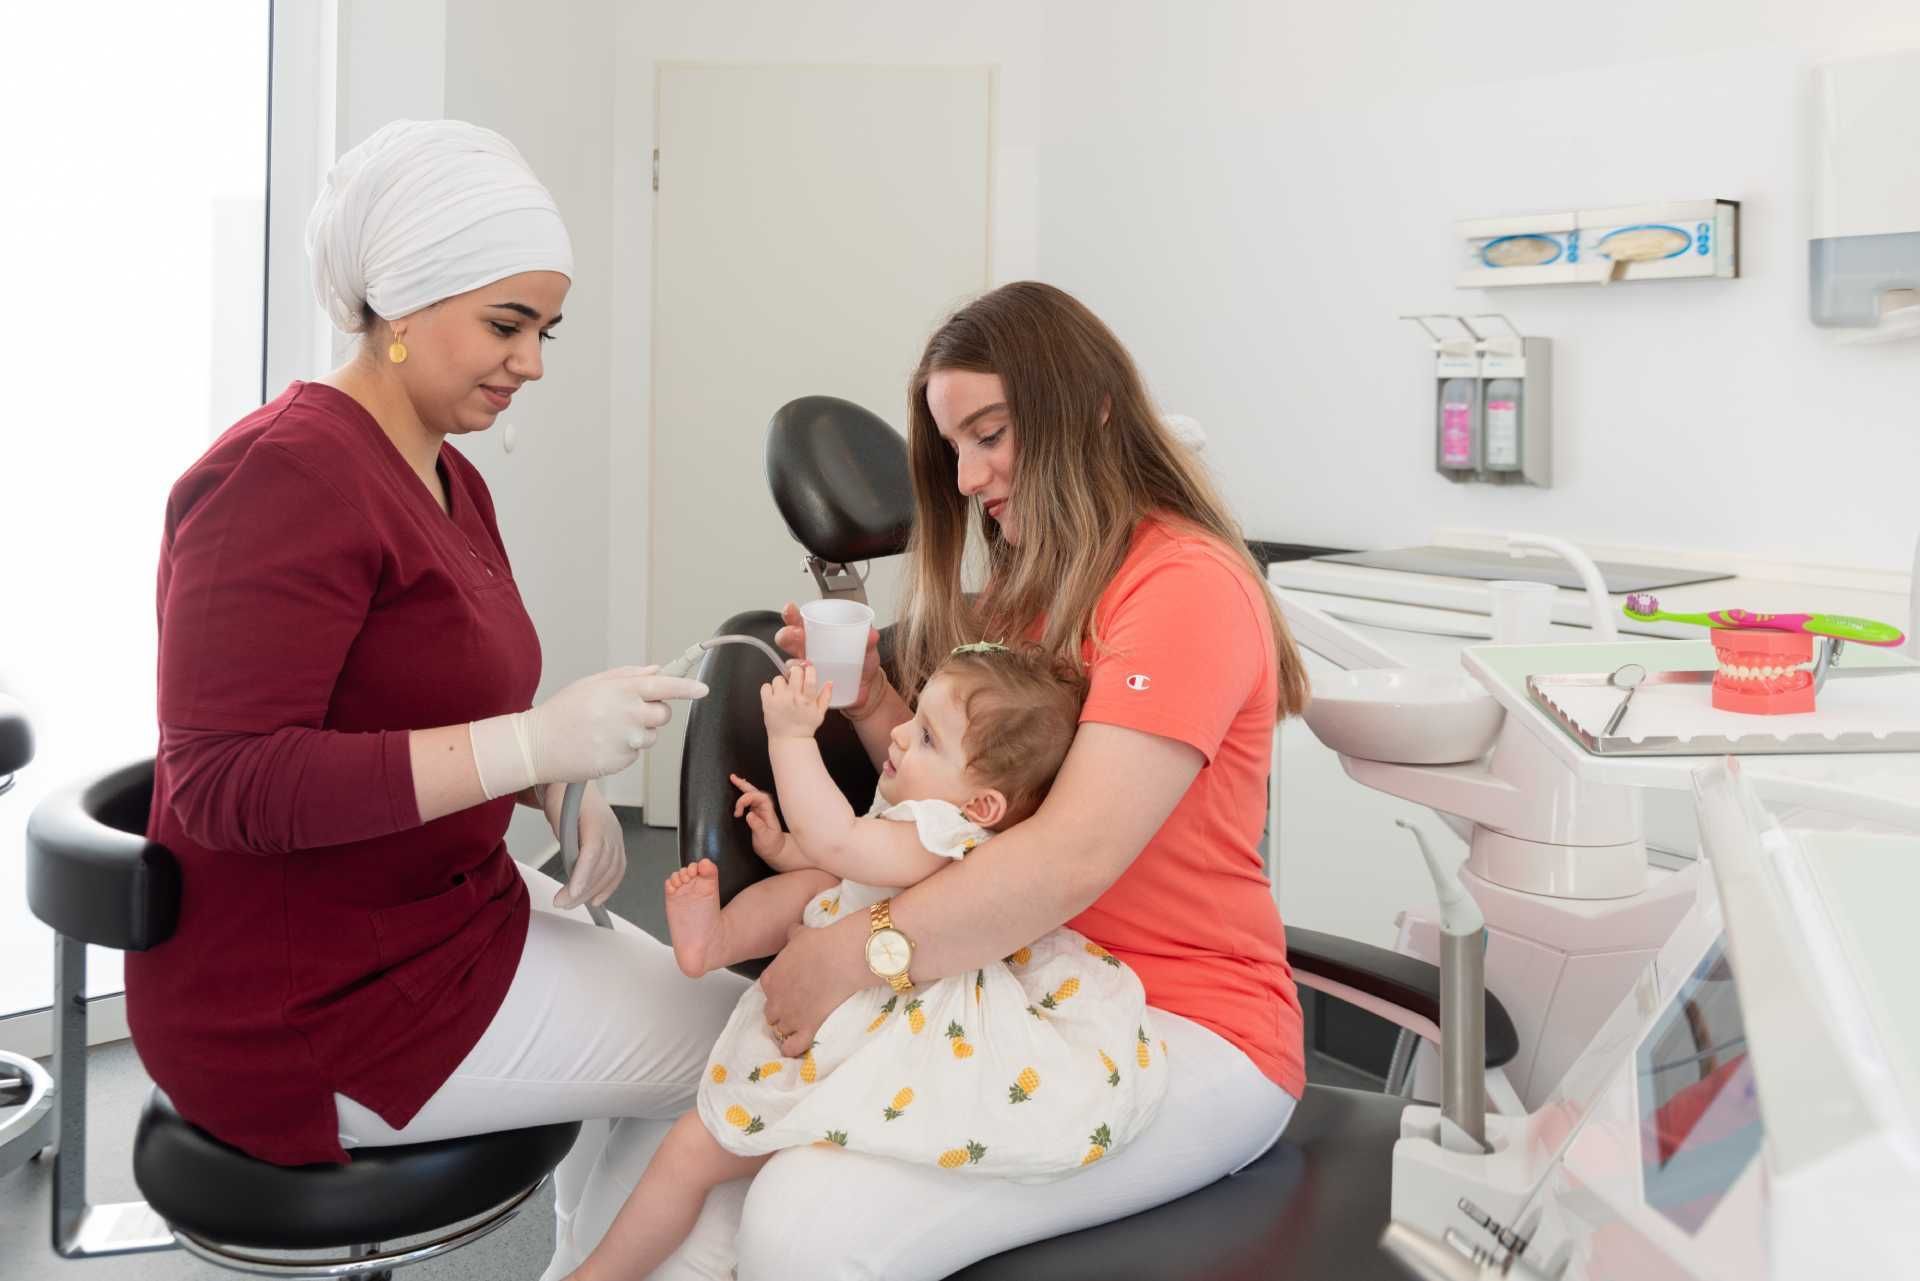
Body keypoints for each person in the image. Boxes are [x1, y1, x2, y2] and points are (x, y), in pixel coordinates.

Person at [557, 280, 1314, 1278]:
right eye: (954, 446)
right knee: (672, 1163)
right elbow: (960, 815)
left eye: (989, 435)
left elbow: (1067, 856)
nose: (965, 477)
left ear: (1088, 409)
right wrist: (876, 703)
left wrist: (848, 955)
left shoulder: (1182, 586)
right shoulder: (1026, 593)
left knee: (801, 1224)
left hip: (1181, 1017)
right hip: (1000, 978)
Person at [128, 118, 747, 1276]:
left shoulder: (448, 471)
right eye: (506, 325)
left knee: (728, 1030)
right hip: (306, 1000)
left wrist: (552, 785)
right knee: (747, 1066)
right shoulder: (281, 475)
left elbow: (411, 699)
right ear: (401, 303)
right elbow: (224, 782)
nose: (533, 364)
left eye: (546, 330)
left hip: (435, 920)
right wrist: (527, 747)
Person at [566, 645, 1164, 1279]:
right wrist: (786, 847)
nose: (900, 736)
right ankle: (713, 941)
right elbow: (851, 861)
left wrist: (791, 737)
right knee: (812, 883)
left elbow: (842, 841)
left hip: (872, 1020)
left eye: (927, 737)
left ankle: (599, 1273)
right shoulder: (926, 820)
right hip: (850, 941)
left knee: (692, 1151)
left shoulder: (944, 834)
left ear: (982, 807)